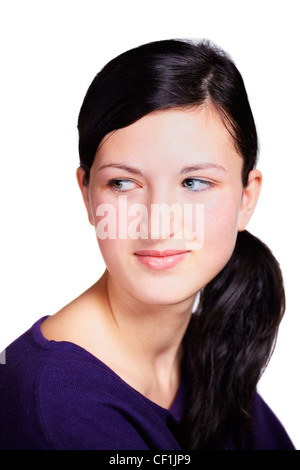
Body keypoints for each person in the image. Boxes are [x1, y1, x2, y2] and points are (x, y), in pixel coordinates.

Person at [0, 38, 295, 450]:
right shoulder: (56, 403)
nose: (159, 222)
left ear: (247, 198)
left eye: (194, 183)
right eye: (123, 183)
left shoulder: (202, 349)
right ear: (87, 194)